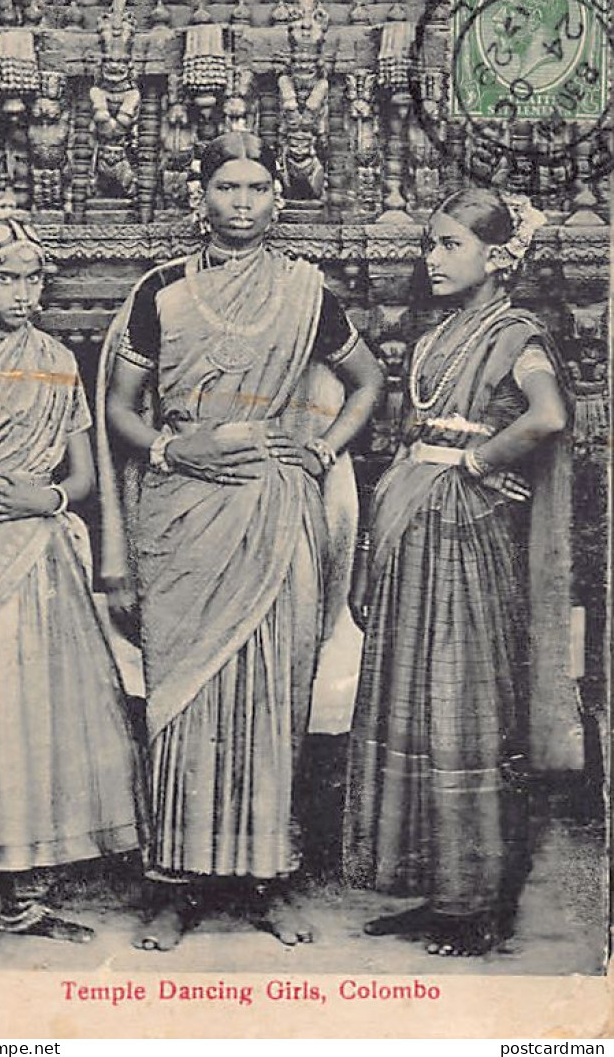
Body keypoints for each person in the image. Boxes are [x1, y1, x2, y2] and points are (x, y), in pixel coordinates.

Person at [98, 130, 384, 950]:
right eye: (229, 187)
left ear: (276, 200)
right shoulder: (160, 289)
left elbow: (367, 380)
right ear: (203, 197)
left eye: (258, 188)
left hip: (277, 509)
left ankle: (269, 879)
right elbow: (120, 406)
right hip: (182, 511)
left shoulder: (306, 290)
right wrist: (167, 447)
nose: (244, 202)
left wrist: (324, 446)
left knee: (269, 698)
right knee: (181, 704)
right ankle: (172, 885)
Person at [0, 203, 151, 963]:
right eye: (4, 278)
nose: (22, 291)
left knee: (39, 719)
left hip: (44, 552)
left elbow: (79, 476)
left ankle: (26, 897)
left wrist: (41, 499)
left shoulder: (54, 357)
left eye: (33, 277)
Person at [345, 188, 583, 957]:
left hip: (465, 533)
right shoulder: (437, 334)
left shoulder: (516, 333)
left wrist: (478, 462)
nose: (432, 259)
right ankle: (436, 892)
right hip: (417, 523)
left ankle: (476, 906)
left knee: (461, 702)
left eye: (449, 245)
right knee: (414, 697)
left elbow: (546, 416)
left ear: (498, 256)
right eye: (429, 245)